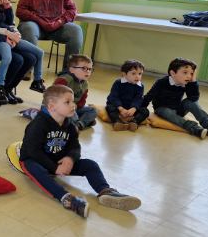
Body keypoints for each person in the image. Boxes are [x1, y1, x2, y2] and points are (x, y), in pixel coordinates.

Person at [19, 85, 142, 216]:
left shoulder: (70, 126)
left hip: (58, 161)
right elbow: (33, 151)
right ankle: (66, 198)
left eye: (73, 101)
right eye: (67, 102)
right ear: (51, 106)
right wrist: (54, 168)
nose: (73, 105)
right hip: (36, 160)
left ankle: (105, 191)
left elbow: (75, 147)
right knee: (36, 168)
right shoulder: (38, 125)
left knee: (90, 164)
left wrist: (70, 158)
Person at [16, 0, 82, 71]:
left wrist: (59, 22)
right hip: (37, 27)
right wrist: (38, 20)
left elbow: (72, 10)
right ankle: (27, 69)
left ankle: (69, 71)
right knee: (27, 27)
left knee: (76, 30)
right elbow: (20, 10)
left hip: (57, 27)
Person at [142, 57, 208, 139]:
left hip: (178, 109)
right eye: (185, 72)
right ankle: (195, 129)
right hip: (162, 109)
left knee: (192, 103)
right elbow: (149, 96)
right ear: (173, 73)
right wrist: (140, 109)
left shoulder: (187, 82)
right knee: (167, 111)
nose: (189, 76)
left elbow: (193, 98)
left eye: (191, 73)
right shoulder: (161, 82)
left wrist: (193, 81)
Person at [54, 54, 97, 130]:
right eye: (84, 68)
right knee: (69, 113)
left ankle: (79, 124)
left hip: (74, 108)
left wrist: (76, 106)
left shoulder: (85, 84)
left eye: (90, 69)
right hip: (58, 107)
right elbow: (55, 98)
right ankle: (80, 122)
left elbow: (82, 101)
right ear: (72, 69)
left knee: (92, 110)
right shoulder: (64, 80)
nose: (88, 71)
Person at [106, 59, 150, 131]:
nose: (137, 76)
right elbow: (114, 96)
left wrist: (134, 108)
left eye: (140, 74)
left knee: (145, 111)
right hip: (119, 107)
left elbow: (138, 99)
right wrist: (120, 108)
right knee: (109, 107)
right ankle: (117, 121)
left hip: (131, 108)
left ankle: (134, 122)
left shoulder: (140, 86)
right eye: (133, 73)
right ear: (124, 74)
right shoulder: (118, 83)